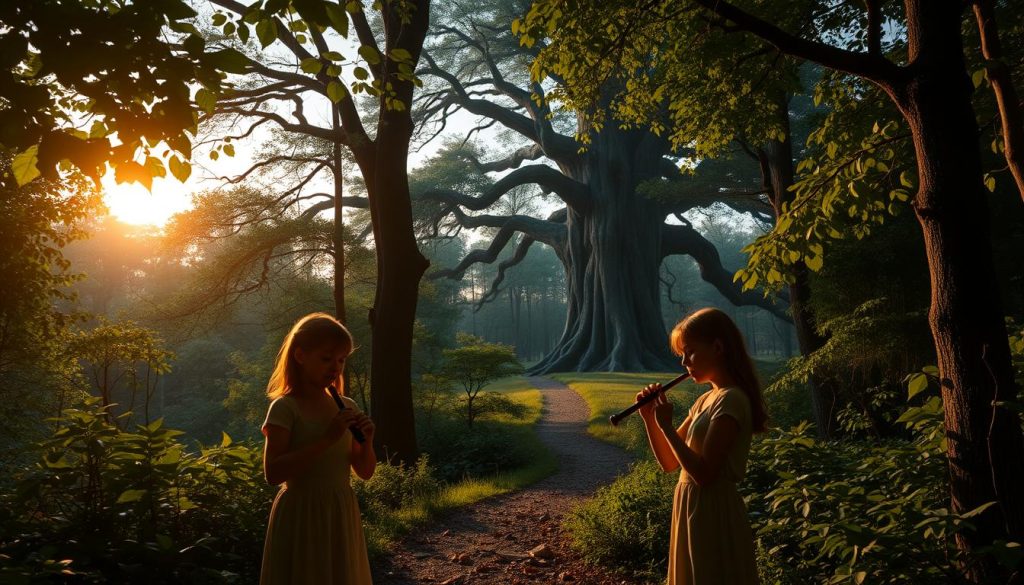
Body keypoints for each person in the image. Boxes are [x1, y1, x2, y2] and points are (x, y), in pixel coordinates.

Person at [635, 307, 768, 585]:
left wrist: (667, 426)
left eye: (690, 352)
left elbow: (705, 474)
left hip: (713, 510)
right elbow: (670, 463)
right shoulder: (705, 400)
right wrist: (650, 418)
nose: (684, 362)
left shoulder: (731, 400)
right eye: (682, 355)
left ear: (718, 347)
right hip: (690, 504)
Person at [259, 312, 376, 585]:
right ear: (300, 356)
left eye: (341, 360)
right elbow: (273, 473)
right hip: (301, 515)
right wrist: (327, 438)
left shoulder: (346, 406)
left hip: (339, 510)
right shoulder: (285, 408)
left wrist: (367, 441)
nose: (335, 367)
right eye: (326, 358)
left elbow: (365, 472)